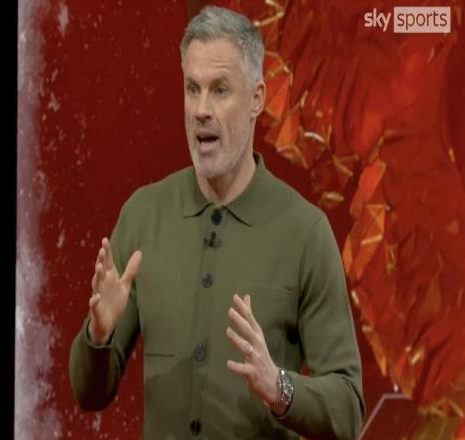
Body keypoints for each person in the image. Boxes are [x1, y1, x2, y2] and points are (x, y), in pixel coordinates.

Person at [69, 6, 365, 439]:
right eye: (193, 89)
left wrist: (279, 387)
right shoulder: (142, 215)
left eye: (220, 90)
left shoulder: (305, 232)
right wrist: (99, 333)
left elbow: (348, 411)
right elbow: (89, 393)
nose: (201, 110)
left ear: (257, 99)